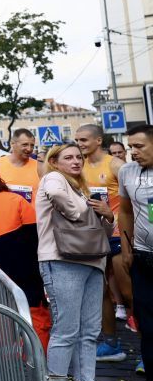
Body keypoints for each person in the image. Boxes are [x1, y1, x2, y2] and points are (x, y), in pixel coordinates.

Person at [36, 143, 119, 381]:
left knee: (90, 331)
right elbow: (69, 208)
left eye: (79, 157)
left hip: (93, 261)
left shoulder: (81, 188)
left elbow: (100, 235)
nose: (76, 161)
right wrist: (86, 206)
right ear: (54, 161)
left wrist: (108, 216)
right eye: (68, 157)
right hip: (62, 260)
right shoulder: (53, 178)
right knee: (66, 329)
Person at [0, 163, 49, 351]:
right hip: (25, 269)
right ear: (0, 180)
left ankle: (8, 358)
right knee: (35, 315)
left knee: (1, 315)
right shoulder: (17, 200)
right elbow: (35, 236)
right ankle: (39, 360)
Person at [76, 124, 129, 363]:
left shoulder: (115, 165)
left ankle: (145, 344)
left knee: (127, 292)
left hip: (118, 233)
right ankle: (111, 343)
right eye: (77, 140)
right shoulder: (79, 166)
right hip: (95, 235)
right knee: (101, 290)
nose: (80, 144)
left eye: (84, 140)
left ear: (98, 140)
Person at [120, 124, 153, 381]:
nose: (133, 152)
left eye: (139, 146)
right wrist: (127, 247)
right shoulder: (127, 172)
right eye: (131, 146)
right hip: (143, 260)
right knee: (148, 327)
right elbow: (125, 210)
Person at [0, 128, 43, 203]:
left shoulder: (40, 167)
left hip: (31, 210)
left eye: (32, 145)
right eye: (25, 145)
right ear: (12, 143)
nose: (29, 149)